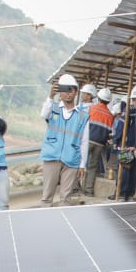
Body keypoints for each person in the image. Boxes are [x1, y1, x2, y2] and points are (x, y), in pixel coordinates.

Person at [39, 74, 88, 208]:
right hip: (52, 157)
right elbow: (43, 114)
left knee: (65, 198)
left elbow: (84, 141)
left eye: (71, 89)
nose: (68, 93)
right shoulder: (53, 108)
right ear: (59, 91)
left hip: (71, 159)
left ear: (76, 92)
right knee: (46, 197)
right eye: (65, 89)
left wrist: (82, 164)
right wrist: (50, 97)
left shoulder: (83, 115)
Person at [83, 87, 115, 201]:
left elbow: (84, 123)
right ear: (109, 101)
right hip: (100, 144)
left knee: (79, 163)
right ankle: (88, 191)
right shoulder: (110, 115)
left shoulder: (92, 109)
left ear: (99, 98)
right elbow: (110, 132)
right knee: (92, 167)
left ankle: (75, 187)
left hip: (88, 140)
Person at [117, 85, 136, 201]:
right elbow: (121, 128)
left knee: (134, 172)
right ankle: (121, 193)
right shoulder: (130, 111)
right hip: (127, 146)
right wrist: (119, 142)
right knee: (125, 169)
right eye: (134, 100)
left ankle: (129, 194)